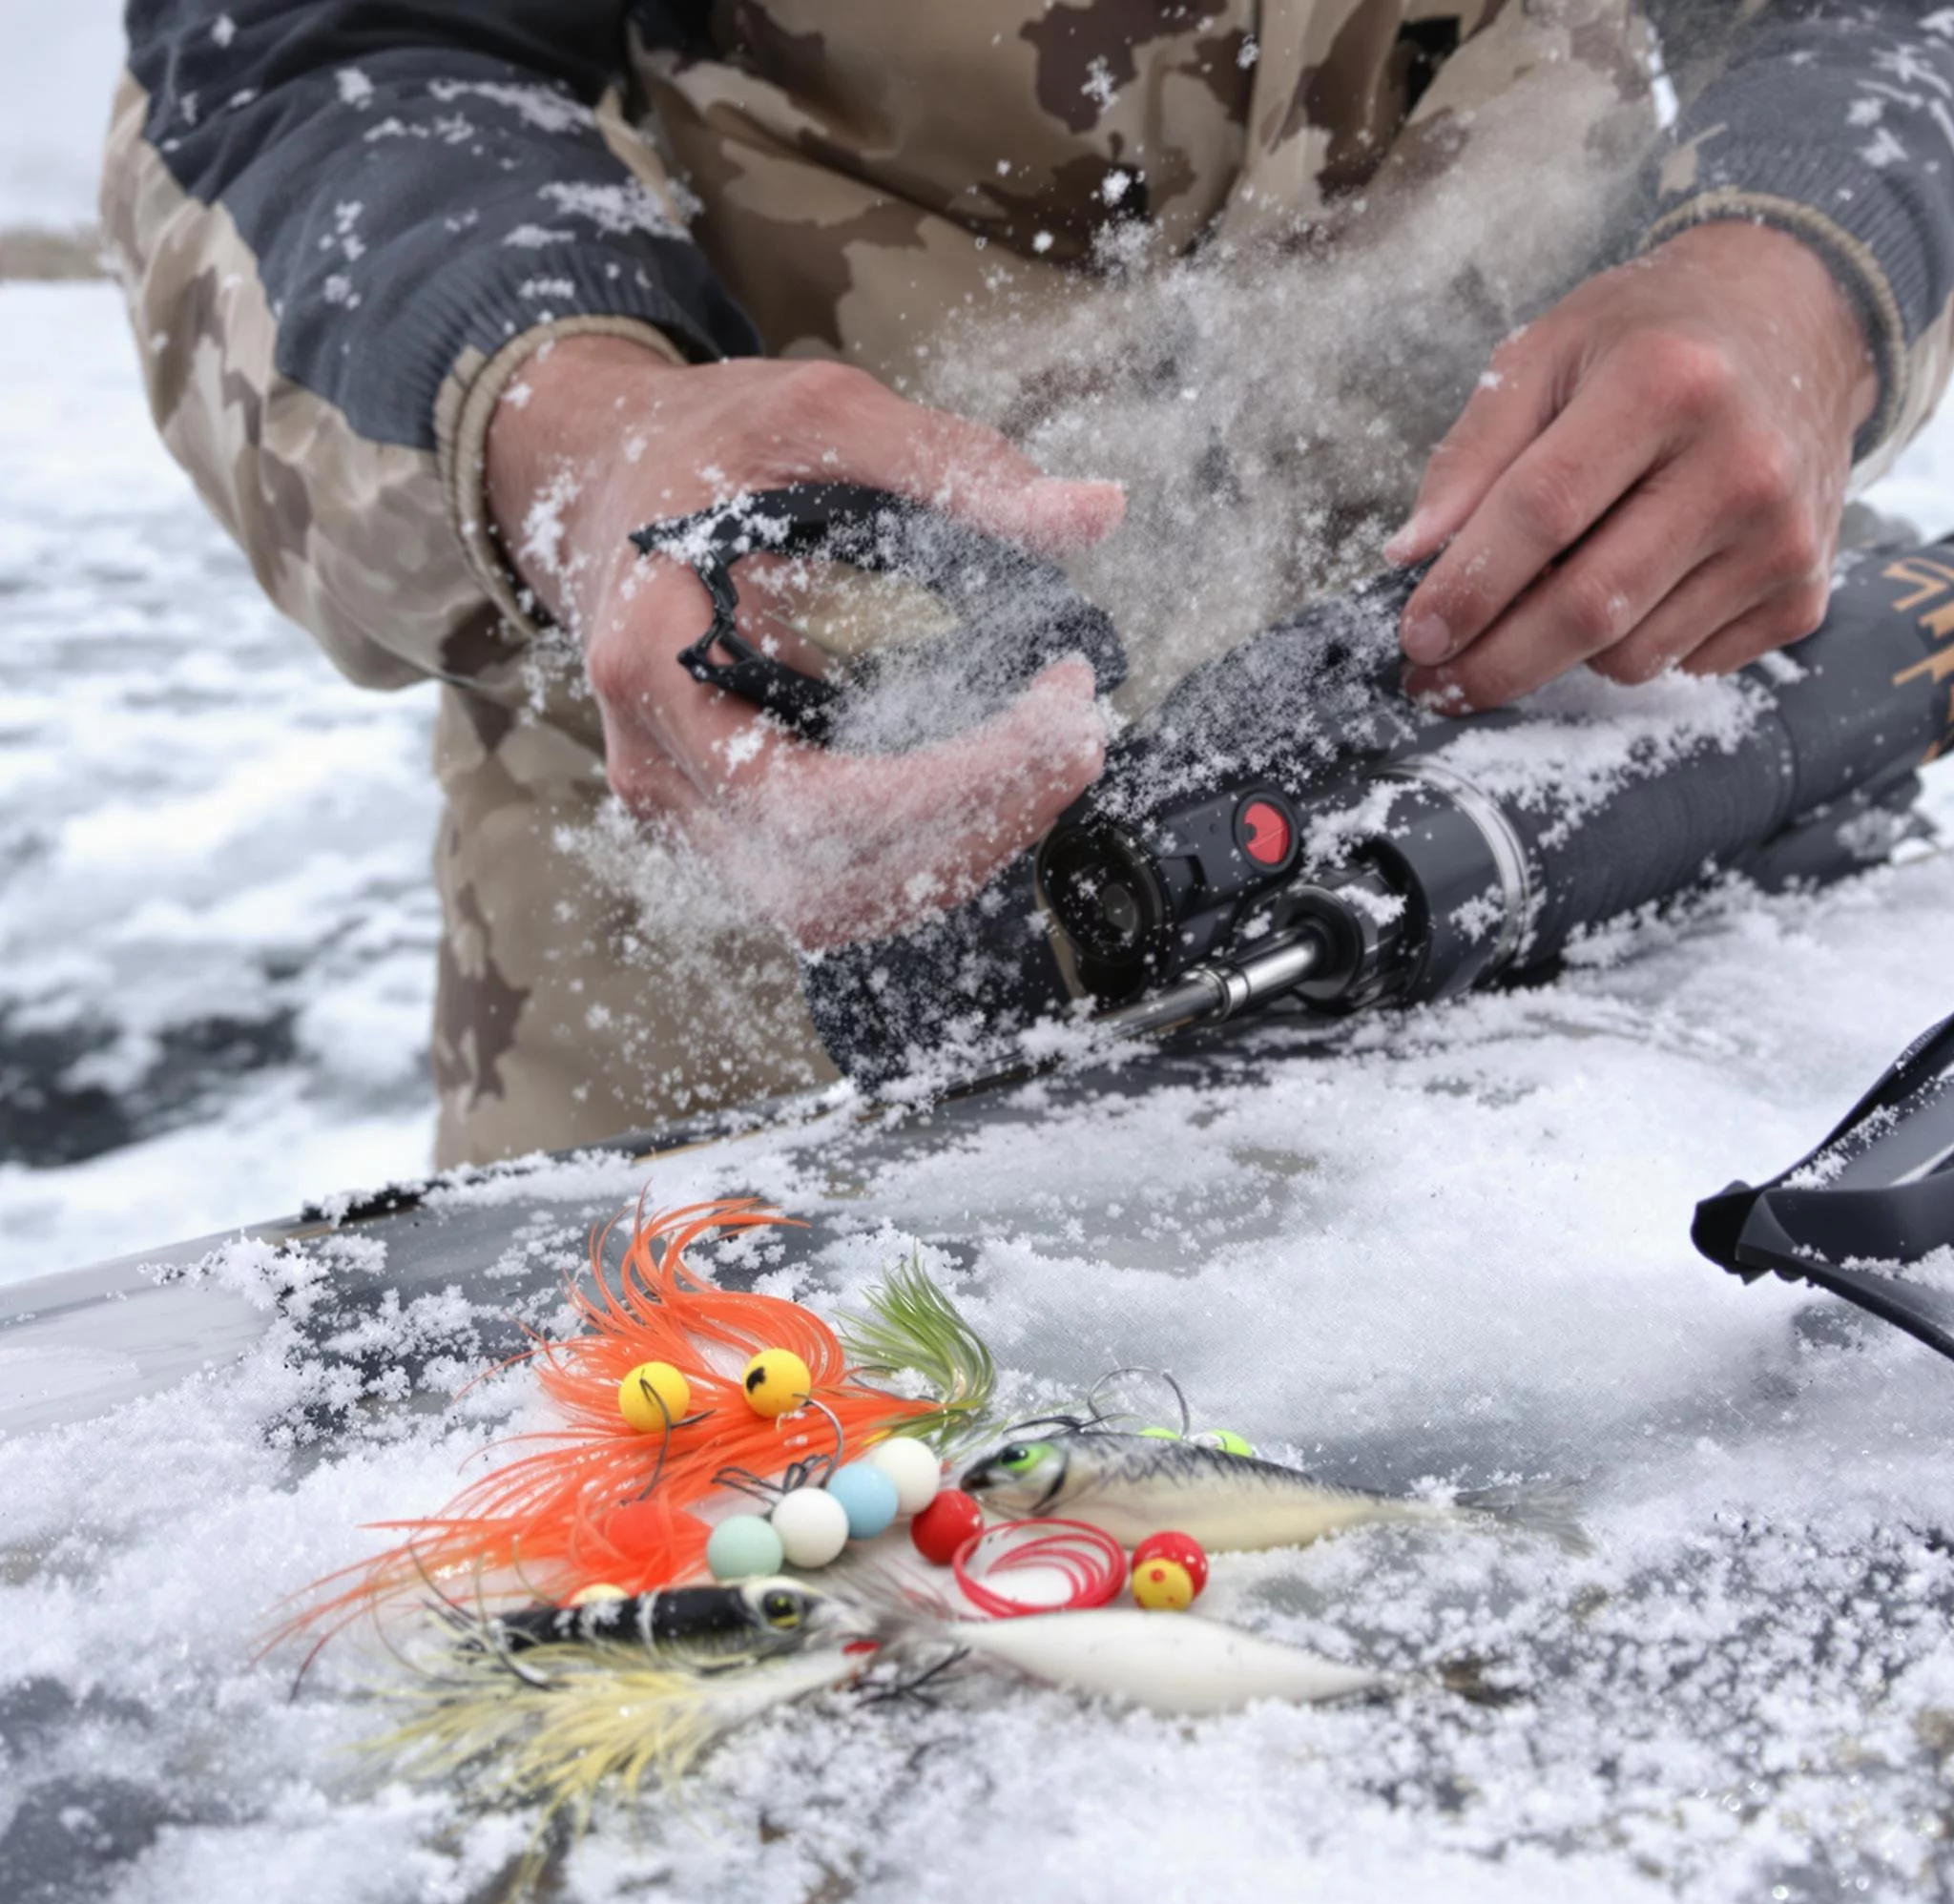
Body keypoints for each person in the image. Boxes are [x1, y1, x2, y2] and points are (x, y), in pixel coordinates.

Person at [102, 2, 1954, 1165]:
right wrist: (563, 426)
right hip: (740, 1076)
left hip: (1620, 1030)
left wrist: (1806, 256)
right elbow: (306, 60)